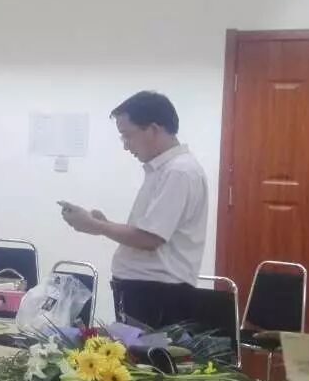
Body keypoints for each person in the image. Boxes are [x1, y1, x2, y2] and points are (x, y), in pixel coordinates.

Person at [60, 91, 208, 327]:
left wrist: (97, 226)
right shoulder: (165, 169)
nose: (125, 145)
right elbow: (149, 231)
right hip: (148, 290)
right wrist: (103, 224)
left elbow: (150, 239)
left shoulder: (178, 172)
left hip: (158, 294)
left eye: (127, 135)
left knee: (146, 352)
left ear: (153, 129)